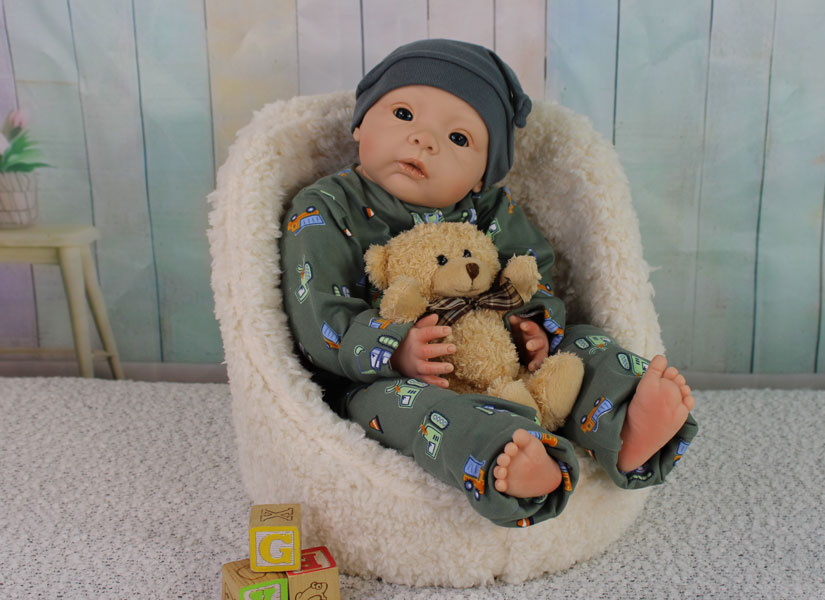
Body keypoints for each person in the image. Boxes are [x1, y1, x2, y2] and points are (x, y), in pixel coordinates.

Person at [280, 39, 697, 528]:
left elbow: (530, 273)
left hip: (505, 363)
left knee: (585, 346)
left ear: (483, 176)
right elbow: (318, 317)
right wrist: (395, 350)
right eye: (403, 114)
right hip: (382, 379)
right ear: (359, 124)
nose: (424, 140)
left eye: (458, 138)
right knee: (415, 409)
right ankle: (507, 456)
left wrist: (534, 327)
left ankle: (626, 427)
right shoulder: (325, 208)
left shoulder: (491, 210)